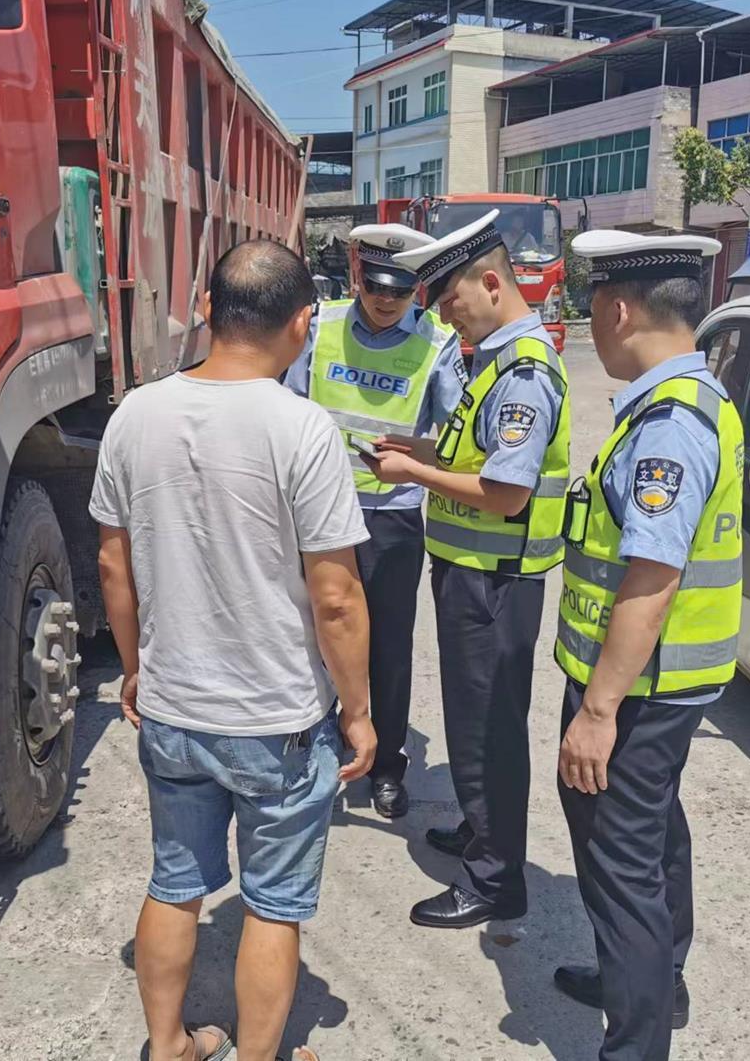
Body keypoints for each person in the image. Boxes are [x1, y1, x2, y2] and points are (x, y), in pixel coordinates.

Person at [91, 240, 376, 1061]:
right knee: (273, 904)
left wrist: (138, 664)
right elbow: (334, 595)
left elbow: (114, 563)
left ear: (208, 308)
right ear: (302, 322)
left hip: (174, 709)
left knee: (174, 884)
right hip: (274, 720)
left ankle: (168, 1044)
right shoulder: (302, 429)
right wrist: (357, 711)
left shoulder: (133, 416)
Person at [552, 230, 741, 1061]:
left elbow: (652, 580)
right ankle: (652, 977)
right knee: (653, 835)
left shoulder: (668, 428)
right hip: (662, 685)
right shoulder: (694, 402)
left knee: (620, 862)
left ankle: (634, 1040)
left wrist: (597, 708)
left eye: (591, 312)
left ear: (618, 309)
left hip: (635, 690)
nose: (590, 330)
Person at [370, 210, 572, 928]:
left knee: (489, 728)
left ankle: (495, 878)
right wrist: (420, 449)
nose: (448, 321)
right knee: (470, 718)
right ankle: (481, 828)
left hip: (494, 580)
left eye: (451, 303)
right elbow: (475, 458)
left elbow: (506, 490)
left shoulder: (521, 373)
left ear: (491, 282)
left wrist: (412, 475)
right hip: (470, 572)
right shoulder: (490, 360)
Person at [284, 222, 465, 818]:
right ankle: (316, 751)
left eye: (402, 289)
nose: (386, 301)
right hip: (315, 510)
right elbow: (284, 407)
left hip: (393, 520)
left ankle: (387, 765)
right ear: (359, 275)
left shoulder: (437, 343)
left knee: (386, 646)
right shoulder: (321, 325)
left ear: (418, 287)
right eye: (377, 286)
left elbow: (459, 437)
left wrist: (419, 461)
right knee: (312, 635)